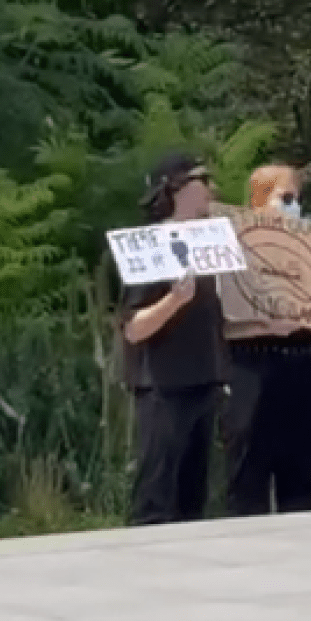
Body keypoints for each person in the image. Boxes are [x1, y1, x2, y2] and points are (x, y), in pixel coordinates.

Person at [217, 163, 311, 516]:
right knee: (248, 473)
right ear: (260, 199)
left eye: (297, 199)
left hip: (303, 360)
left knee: (303, 474)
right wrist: (266, 322)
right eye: (286, 198)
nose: (294, 206)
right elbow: (224, 315)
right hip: (254, 364)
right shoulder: (234, 245)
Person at [119, 152, 229, 526]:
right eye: (203, 180)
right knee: (157, 494)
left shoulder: (213, 243)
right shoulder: (151, 245)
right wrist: (174, 301)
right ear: (177, 188)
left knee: (192, 498)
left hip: (205, 379)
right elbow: (134, 327)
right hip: (163, 386)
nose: (212, 189)